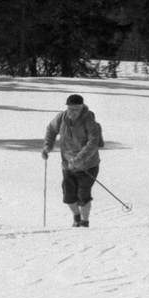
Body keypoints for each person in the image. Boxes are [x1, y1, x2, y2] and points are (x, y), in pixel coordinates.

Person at [42, 94, 101, 228]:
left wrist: (79, 159)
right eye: (70, 108)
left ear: (82, 108)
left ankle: (84, 222)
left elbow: (93, 142)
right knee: (68, 196)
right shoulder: (61, 118)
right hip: (67, 165)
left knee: (83, 195)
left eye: (75, 109)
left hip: (88, 165)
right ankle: (76, 218)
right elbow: (51, 130)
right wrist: (47, 146)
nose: (72, 112)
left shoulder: (89, 120)